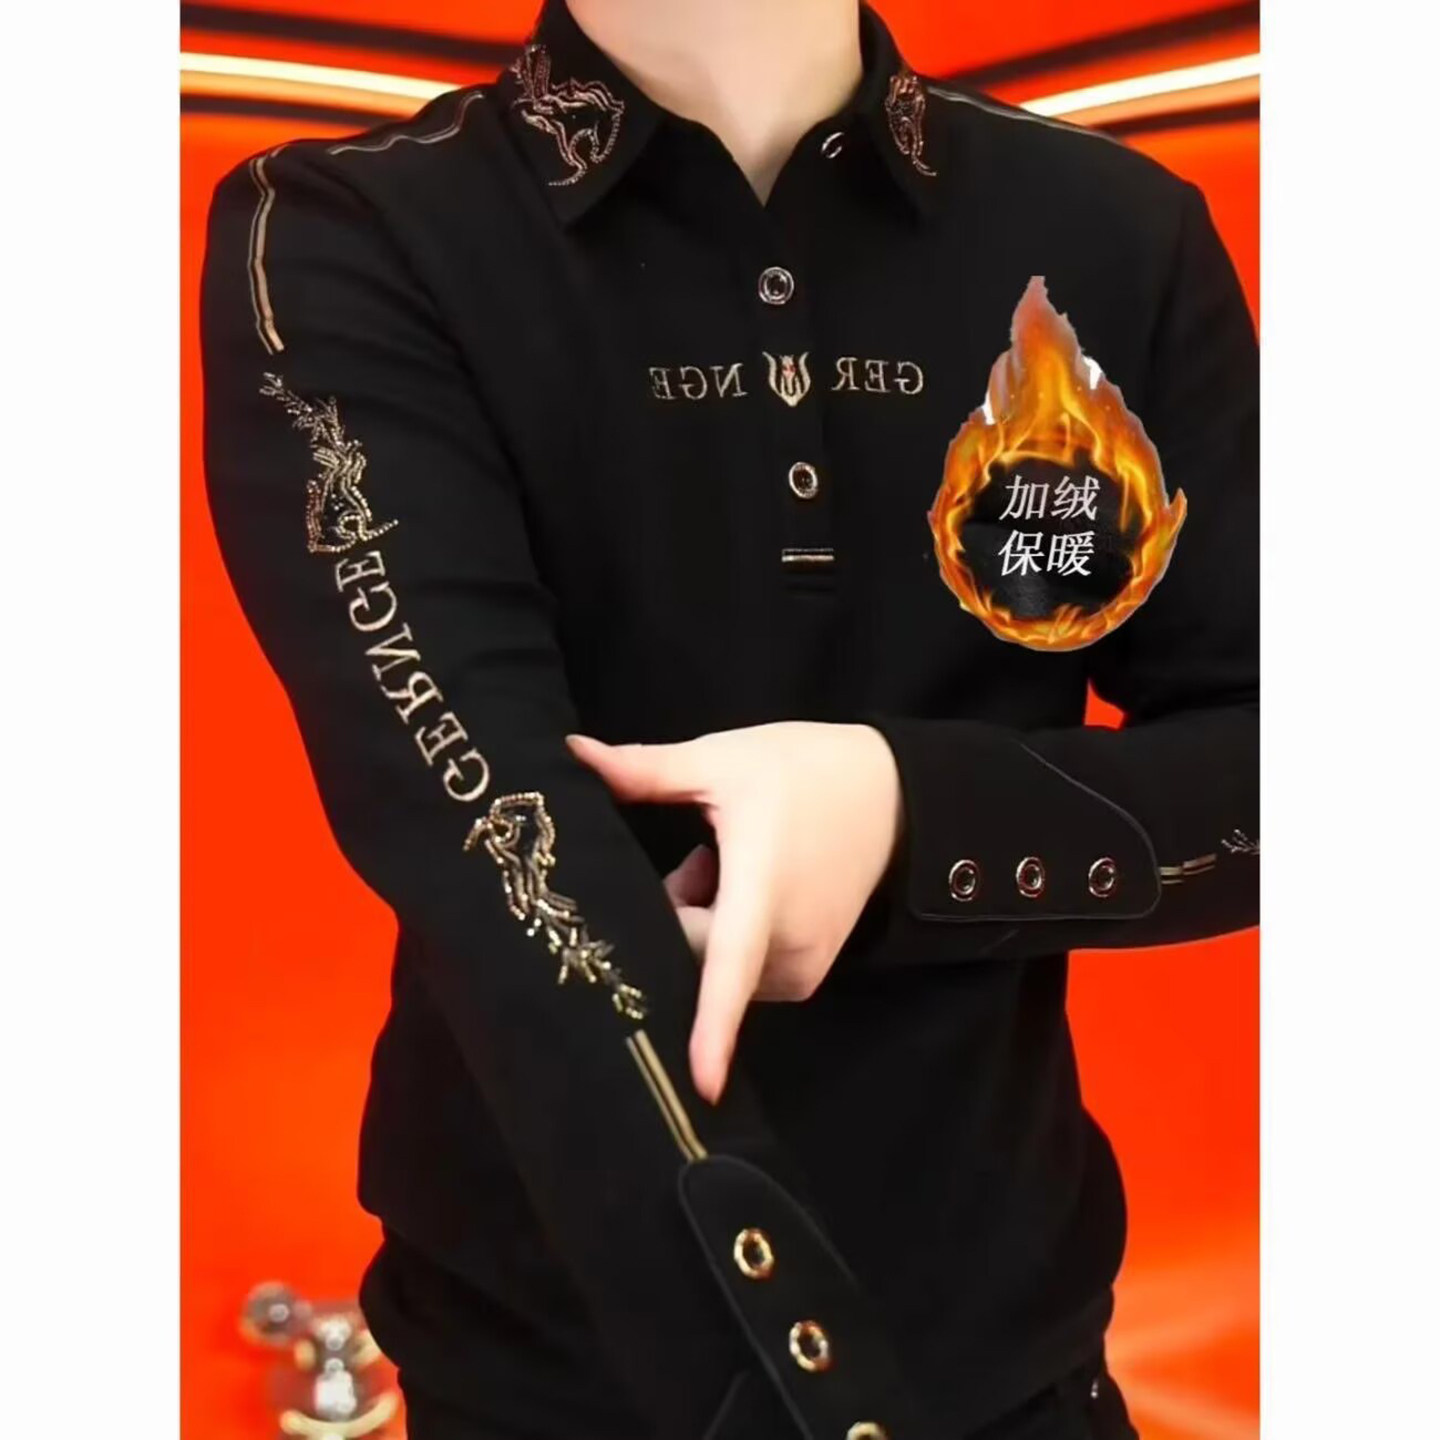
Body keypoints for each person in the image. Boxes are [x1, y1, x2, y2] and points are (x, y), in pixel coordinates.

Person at [198, 0, 1258, 1435]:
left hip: (1022, 1353)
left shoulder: (1111, 229)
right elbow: (495, 837)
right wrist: (826, 1405)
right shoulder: (351, 235)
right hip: (548, 1376)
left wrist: (905, 816)